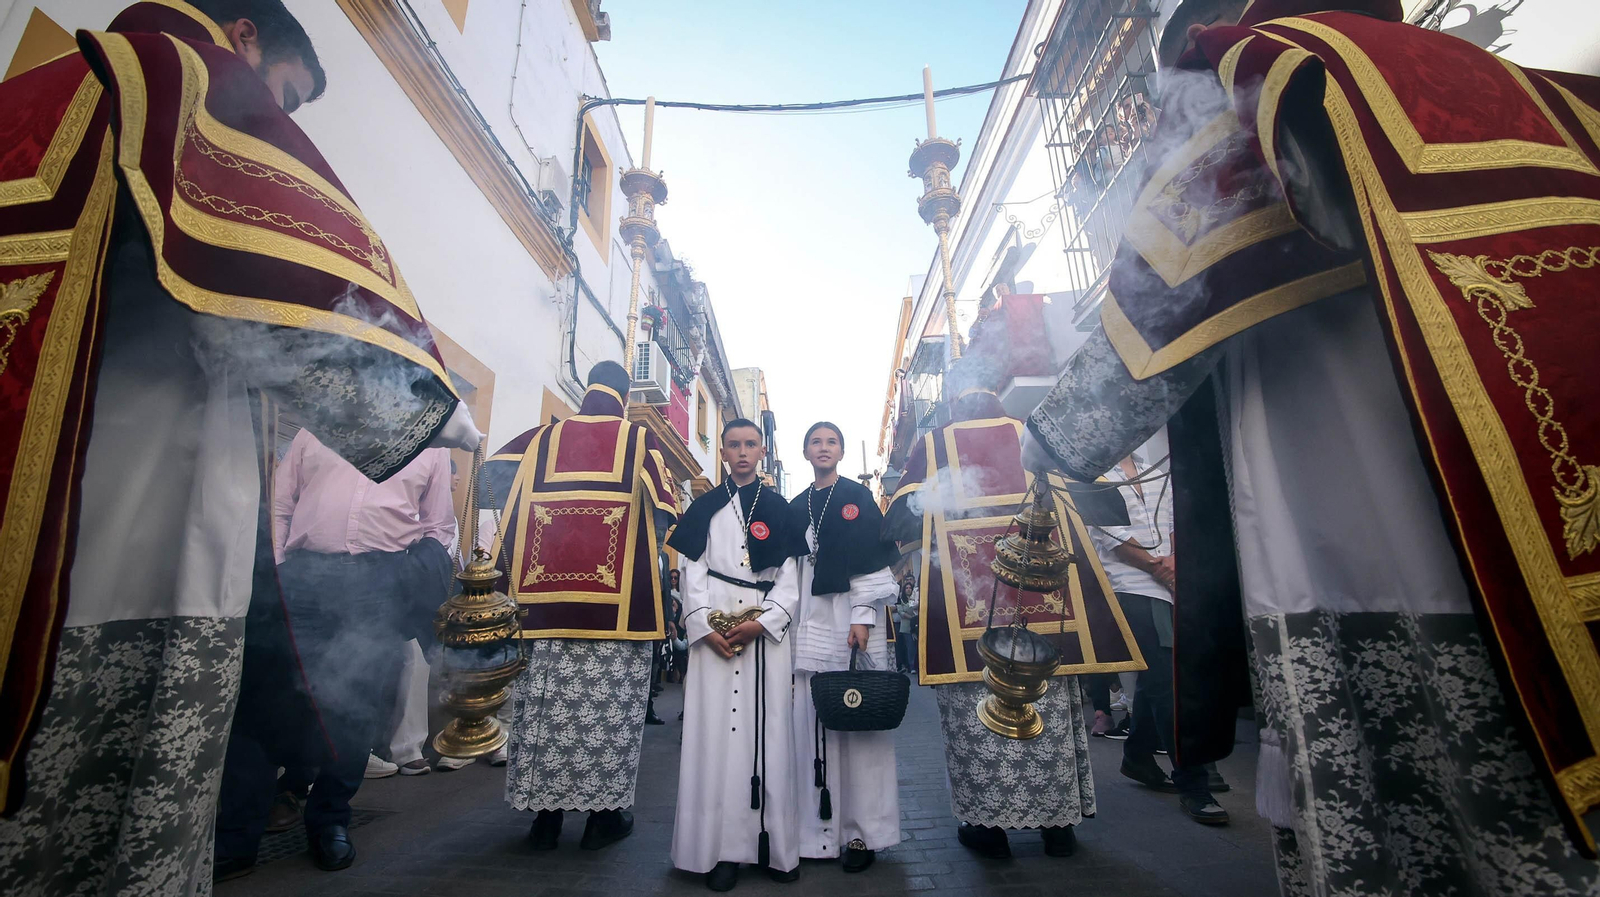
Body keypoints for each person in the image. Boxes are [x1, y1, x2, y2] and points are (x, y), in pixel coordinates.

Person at [1023, 0, 1600, 892]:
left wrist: (1048, 442)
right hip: (1536, 511)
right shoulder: (1507, 86)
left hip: (1360, 520)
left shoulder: (1274, 84)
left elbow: (1154, 317)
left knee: (1409, 817)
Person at [0, 2, 479, 891]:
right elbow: (291, 298)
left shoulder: (39, 93)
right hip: (153, 493)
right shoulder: (187, 87)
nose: (279, 125)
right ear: (246, 40)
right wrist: (426, 408)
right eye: (287, 99)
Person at [883, 357, 1144, 861]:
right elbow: (1098, 504)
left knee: (973, 712)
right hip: (1045, 600)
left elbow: (901, 523)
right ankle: (1057, 826)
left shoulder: (934, 446)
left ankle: (989, 828)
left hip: (965, 604)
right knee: (1047, 697)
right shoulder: (1031, 434)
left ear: (953, 399)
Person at [218, 428, 457, 875]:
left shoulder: (432, 446)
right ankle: (237, 835)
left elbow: (438, 526)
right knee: (267, 701)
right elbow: (281, 503)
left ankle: (329, 821)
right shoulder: (317, 430)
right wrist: (284, 571)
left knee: (355, 710)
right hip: (305, 579)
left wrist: (406, 582)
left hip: (378, 584)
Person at [477, 361, 678, 851]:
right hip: (620, 611)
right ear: (626, 397)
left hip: (540, 611)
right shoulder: (639, 441)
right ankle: (601, 822)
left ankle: (543, 822)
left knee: (543, 713)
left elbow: (488, 485)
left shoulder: (538, 439)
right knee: (606, 716)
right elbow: (667, 511)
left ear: (586, 388)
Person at [667, 419, 807, 891]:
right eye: (734, 445)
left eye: (751, 444)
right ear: (723, 453)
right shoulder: (704, 507)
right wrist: (705, 626)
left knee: (768, 735)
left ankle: (773, 847)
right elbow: (692, 572)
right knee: (715, 744)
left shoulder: (780, 509)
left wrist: (761, 622)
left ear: (762, 451)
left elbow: (791, 576)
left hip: (763, 632)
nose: (742, 452)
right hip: (714, 636)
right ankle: (721, 850)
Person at [787, 422, 902, 873]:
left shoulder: (857, 496)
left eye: (831, 441)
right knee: (812, 723)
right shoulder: (797, 506)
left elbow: (873, 564)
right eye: (815, 441)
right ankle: (816, 834)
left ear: (840, 451)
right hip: (809, 623)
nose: (824, 447)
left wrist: (862, 617)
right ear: (804, 451)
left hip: (852, 621)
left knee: (860, 724)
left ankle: (861, 834)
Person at [1088, 453, 1227, 824]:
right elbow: (1108, 533)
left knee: (1156, 675)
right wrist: (1158, 567)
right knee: (1167, 677)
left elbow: (1173, 518)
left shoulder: (1156, 462)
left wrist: (1175, 560)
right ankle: (1193, 781)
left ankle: (1137, 756)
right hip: (1130, 585)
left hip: (1171, 577)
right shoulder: (1090, 470)